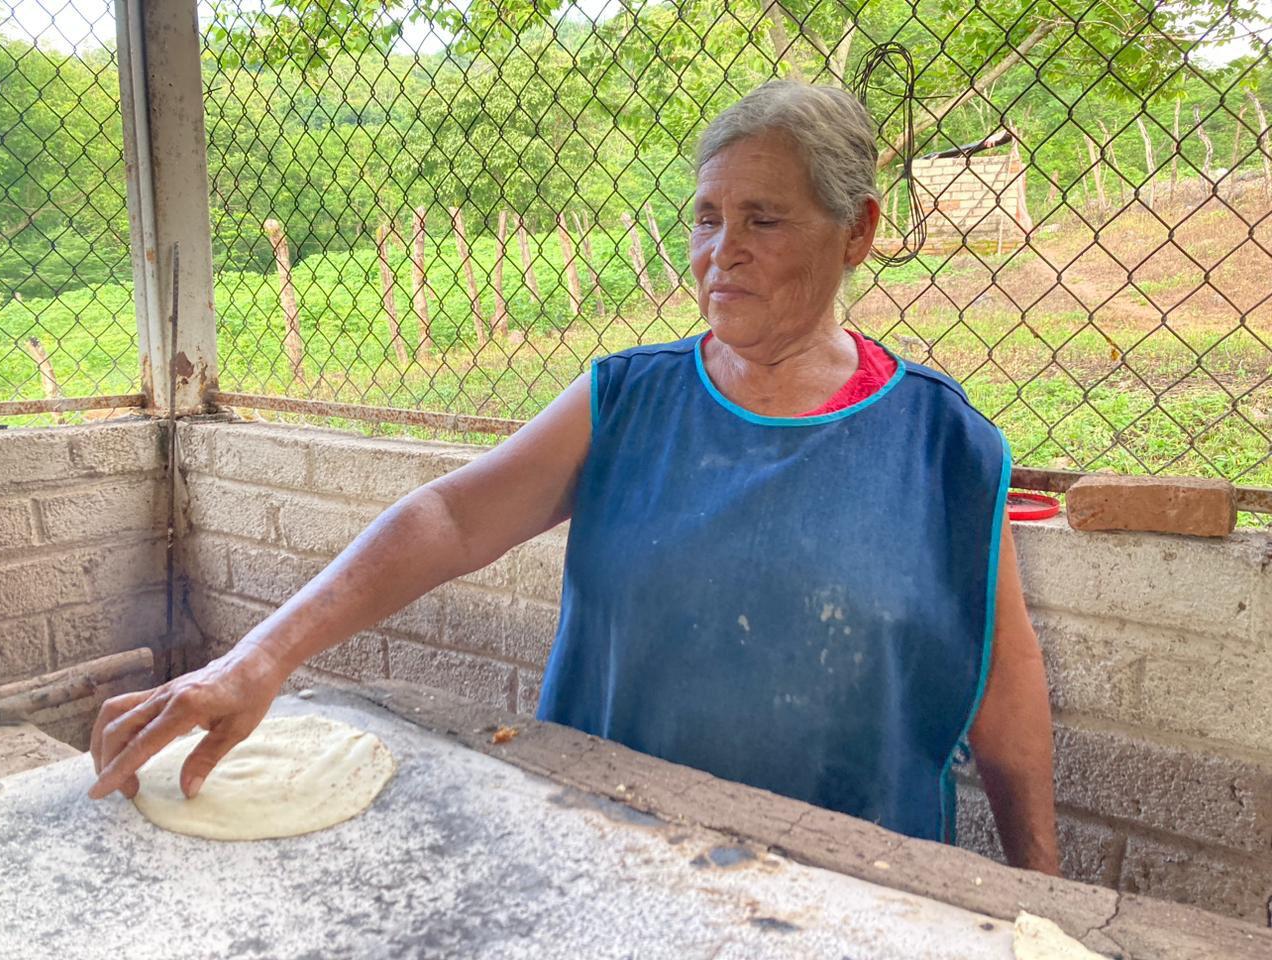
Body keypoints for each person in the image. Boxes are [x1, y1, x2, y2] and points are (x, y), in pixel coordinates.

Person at [89, 80, 1060, 874]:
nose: (720, 253)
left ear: (856, 231)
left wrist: (1040, 892)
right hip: (610, 848)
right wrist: (255, 660)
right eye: (706, 217)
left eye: (762, 219)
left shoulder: (939, 442)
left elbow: (1000, 688)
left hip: (849, 883)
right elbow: (448, 518)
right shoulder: (625, 400)